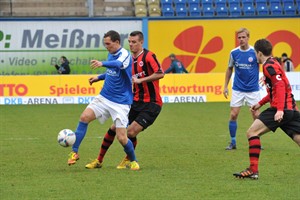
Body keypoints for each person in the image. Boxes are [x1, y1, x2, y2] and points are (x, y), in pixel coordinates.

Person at [85, 30, 165, 170]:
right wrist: (99, 77)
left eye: (134, 42)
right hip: (134, 101)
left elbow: (160, 73)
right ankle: (99, 160)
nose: (131, 44)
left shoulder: (148, 56)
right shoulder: (128, 58)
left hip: (151, 103)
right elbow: (115, 71)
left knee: (130, 132)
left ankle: (129, 159)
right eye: (129, 42)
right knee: (113, 128)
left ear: (141, 42)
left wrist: (141, 80)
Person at [67, 30, 139, 170]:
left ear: (117, 42)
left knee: (122, 138)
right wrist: (98, 78)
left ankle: (134, 160)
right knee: (84, 117)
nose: (106, 46)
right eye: (105, 44)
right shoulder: (110, 53)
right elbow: (112, 72)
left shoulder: (124, 54)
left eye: (108, 44)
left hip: (121, 102)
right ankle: (74, 152)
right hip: (104, 97)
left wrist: (102, 63)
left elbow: (118, 65)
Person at [233, 39, 300, 179]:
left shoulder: (268, 66)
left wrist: (280, 110)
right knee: (298, 138)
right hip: (290, 108)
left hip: (281, 109)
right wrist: (260, 104)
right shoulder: (275, 63)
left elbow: (280, 86)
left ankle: (253, 170)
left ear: (259, 53)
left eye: (255, 54)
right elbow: (274, 90)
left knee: (252, 132)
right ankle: (253, 170)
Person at [223, 28, 260, 150]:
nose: (241, 39)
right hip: (238, 89)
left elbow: (264, 64)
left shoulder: (255, 52)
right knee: (233, 114)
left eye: (243, 37)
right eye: (239, 37)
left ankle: (257, 141)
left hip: (253, 89)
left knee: (256, 115)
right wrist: (225, 86)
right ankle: (233, 142)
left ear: (248, 37)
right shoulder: (234, 53)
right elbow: (229, 68)